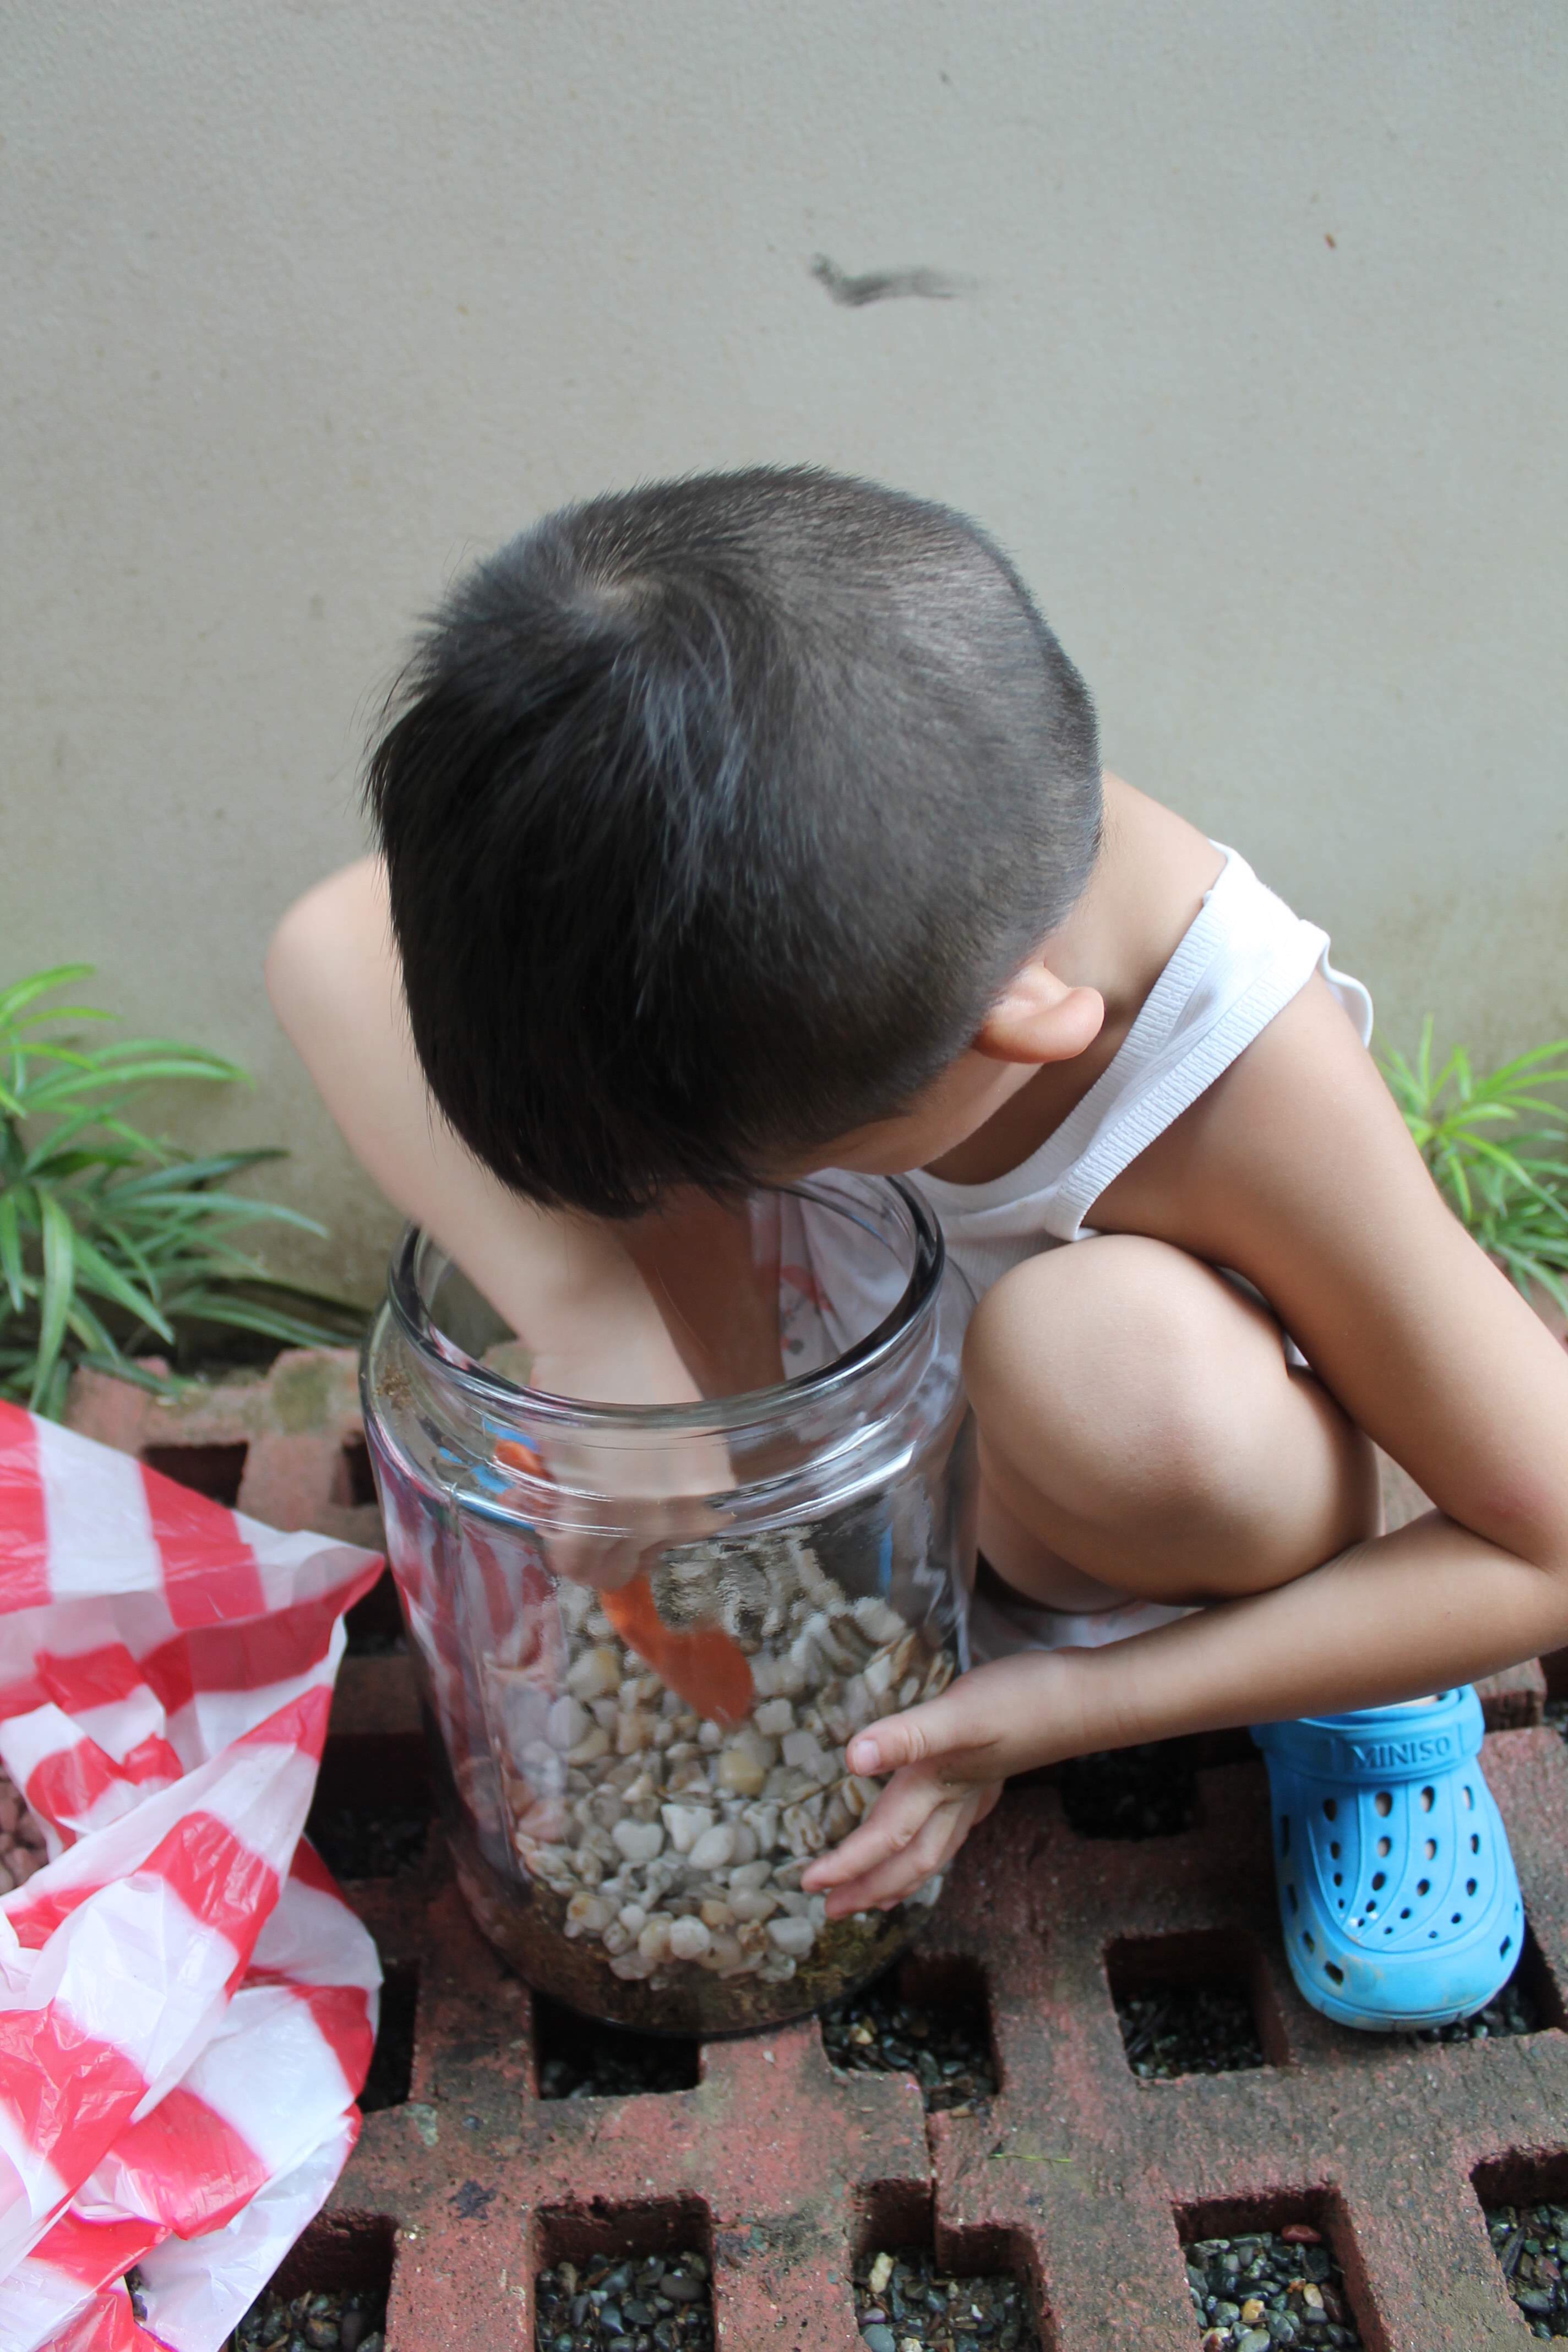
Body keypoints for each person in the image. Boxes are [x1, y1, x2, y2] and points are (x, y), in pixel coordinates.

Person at [267, 466, 1568, 2032]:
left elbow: (1548, 1541)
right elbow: (327, 944)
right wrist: (588, 1315)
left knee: (1106, 1368)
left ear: (1028, 1026)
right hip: (895, 1471)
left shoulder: (1244, 1077)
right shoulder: (734, 836)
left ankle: (1347, 1682)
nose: (694, 1198)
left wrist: (1074, 1709)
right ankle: (898, 1580)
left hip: (1134, 1508)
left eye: (750, 1170)